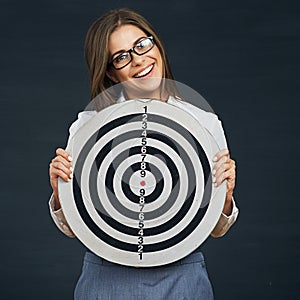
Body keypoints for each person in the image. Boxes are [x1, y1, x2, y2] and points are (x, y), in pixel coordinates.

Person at [49, 8, 238, 299]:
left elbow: (214, 229)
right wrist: (61, 191)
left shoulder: (203, 124)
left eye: (142, 44)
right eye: (122, 56)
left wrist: (224, 197)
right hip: (106, 276)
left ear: (157, 44)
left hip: (182, 277)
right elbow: (77, 228)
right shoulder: (90, 127)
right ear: (111, 71)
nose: (139, 59)